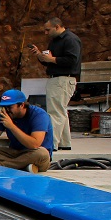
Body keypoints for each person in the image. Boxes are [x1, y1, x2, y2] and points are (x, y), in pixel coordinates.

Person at [0, 89, 54, 173]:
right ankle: (22, 166)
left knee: (42, 153)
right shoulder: (5, 115)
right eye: (4, 107)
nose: (7, 110)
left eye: (10, 107)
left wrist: (11, 126)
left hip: (35, 154)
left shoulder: (39, 115)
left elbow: (34, 144)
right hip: (15, 153)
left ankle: (3, 166)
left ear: (21, 105)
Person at [30, 17, 81, 151]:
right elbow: (49, 61)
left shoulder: (70, 39)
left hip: (63, 78)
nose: (46, 33)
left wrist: (52, 59)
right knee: (60, 111)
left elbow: (72, 60)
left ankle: (51, 144)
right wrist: (40, 55)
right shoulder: (55, 41)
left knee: (55, 112)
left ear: (57, 26)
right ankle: (65, 142)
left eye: (48, 30)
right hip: (56, 77)